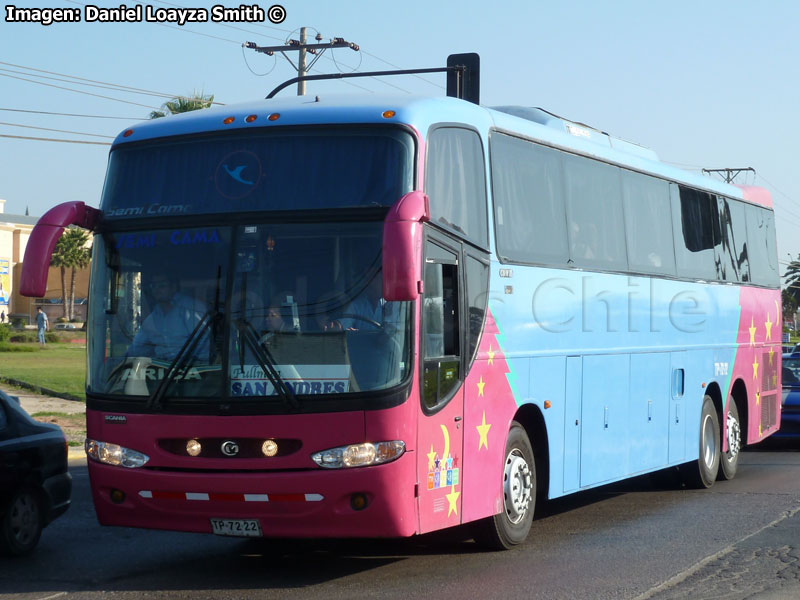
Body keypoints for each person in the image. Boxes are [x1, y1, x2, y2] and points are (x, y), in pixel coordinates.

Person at [127, 275, 207, 361]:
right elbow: (137, 346)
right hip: (162, 369)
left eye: (162, 286)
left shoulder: (191, 308)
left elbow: (204, 345)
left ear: (173, 288)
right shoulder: (154, 316)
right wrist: (123, 361)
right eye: (153, 286)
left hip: (189, 368)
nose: (156, 290)